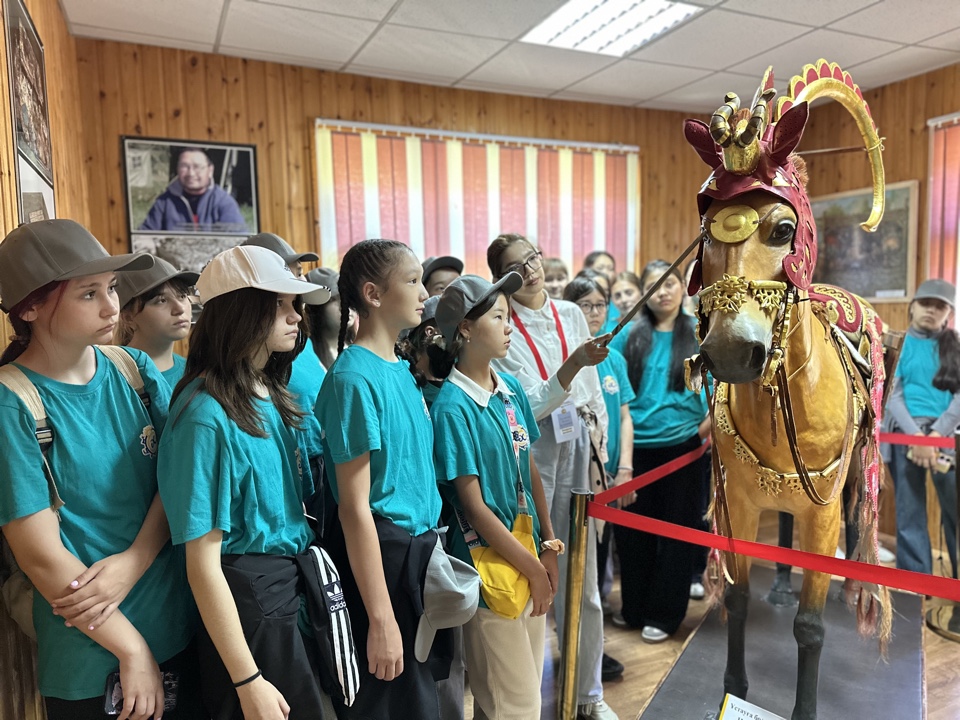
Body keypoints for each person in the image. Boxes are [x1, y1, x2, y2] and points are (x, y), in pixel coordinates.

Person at [0, 220, 201, 719]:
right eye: (88, 294)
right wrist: (132, 650)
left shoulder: (135, 370)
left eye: (111, 288)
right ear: (30, 307)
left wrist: (134, 559)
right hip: (93, 657)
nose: (111, 306)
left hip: (178, 628)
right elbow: (42, 557)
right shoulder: (13, 403)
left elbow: (178, 482)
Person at [157, 245, 338, 719]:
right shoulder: (205, 415)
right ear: (240, 311)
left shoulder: (268, 391)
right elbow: (202, 565)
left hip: (288, 589)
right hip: (248, 604)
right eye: (279, 304)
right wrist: (247, 678)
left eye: (294, 303)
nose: (295, 316)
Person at [488, 233, 621, 719]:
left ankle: (588, 693)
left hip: (580, 440)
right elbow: (531, 403)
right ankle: (527, 695)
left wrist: (603, 452)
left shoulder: (569, 312)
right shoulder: (503, 323)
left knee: (584, 573)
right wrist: (573, 364)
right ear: (502, 278)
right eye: (516, 267)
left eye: (533, 258)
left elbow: (594, 393)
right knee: (537, 563)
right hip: (534, 446)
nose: (531, 271)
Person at [315, 239, 447, 719]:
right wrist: (380, 617)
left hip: (418, 553)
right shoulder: (353, 378)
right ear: (372, 294)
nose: (424, 294)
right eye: (412, 281)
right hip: (382, 562)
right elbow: (354, 508)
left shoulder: (400, 368)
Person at [430, 273, 560, 720]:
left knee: (515, 694)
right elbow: (474, 506)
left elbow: (530, 469)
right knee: (517, 704)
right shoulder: (452, 407)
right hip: (488, 564)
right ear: (465, 329)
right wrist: (534, 569)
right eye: (499, 317)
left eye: (509, 316)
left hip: (527, 553)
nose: (509, 327)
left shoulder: (510, 390)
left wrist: (548, 545)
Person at [612, 259, 710, 643]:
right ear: (644, 293)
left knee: (677, 535)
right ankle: (634, 608)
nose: (663, 291)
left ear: (682, 286)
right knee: (632, 535)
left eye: (670, 283)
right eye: (654, 285)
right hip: (634, 450)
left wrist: (697, 435)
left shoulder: (700, 332)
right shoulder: (628, 334)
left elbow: (721, 393)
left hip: (683, 451)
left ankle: (666, 616)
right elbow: (611, 389)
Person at [563, 274, 636, 611]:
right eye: (586, 305)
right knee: (574, 549)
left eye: (600, 305)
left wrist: (625, 467)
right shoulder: (564, 356)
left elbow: (624, 416)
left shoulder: (614, 359)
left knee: (603, 545)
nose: (594, 313)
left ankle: (598, 612)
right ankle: (573, 618)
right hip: (572, 474)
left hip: (607, 472)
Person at [886, 278, 960, 577]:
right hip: (904, 434)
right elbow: (892, 395)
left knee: (955, 511)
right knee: (909, 511)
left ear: (948, 313)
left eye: (939, 306)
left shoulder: (955, 346)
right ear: (912, 307)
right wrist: (916, 437)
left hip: (947, 437)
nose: (931, 310)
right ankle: (914, 583)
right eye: (926, 303)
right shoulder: (898, 344)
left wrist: (936, 435)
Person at [116, 257, 199, 388]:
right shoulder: (112, 375)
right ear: (128, 318)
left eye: (182, 296)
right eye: (161, 300)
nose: (180, 309)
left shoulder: (194, 373)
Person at [139, 147, 249, 233]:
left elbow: (237, 238)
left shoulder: (224, 202)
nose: (191, 173)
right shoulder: (164, 202)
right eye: (184, 166)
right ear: (177, 169)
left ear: (210, 170)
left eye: (197, 167)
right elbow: (144, 235)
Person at [305, 266, 358, 371]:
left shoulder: (358, 350)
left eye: (350, 298)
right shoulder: (307, 356)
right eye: (335, 299)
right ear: (316, 308)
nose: (347, 306)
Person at [607, 271, 643, 351]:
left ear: (641, 292)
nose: (624, 300)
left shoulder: (655, 323)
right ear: (612, 300)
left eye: (629, 293)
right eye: (617, 296)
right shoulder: (606, 328)